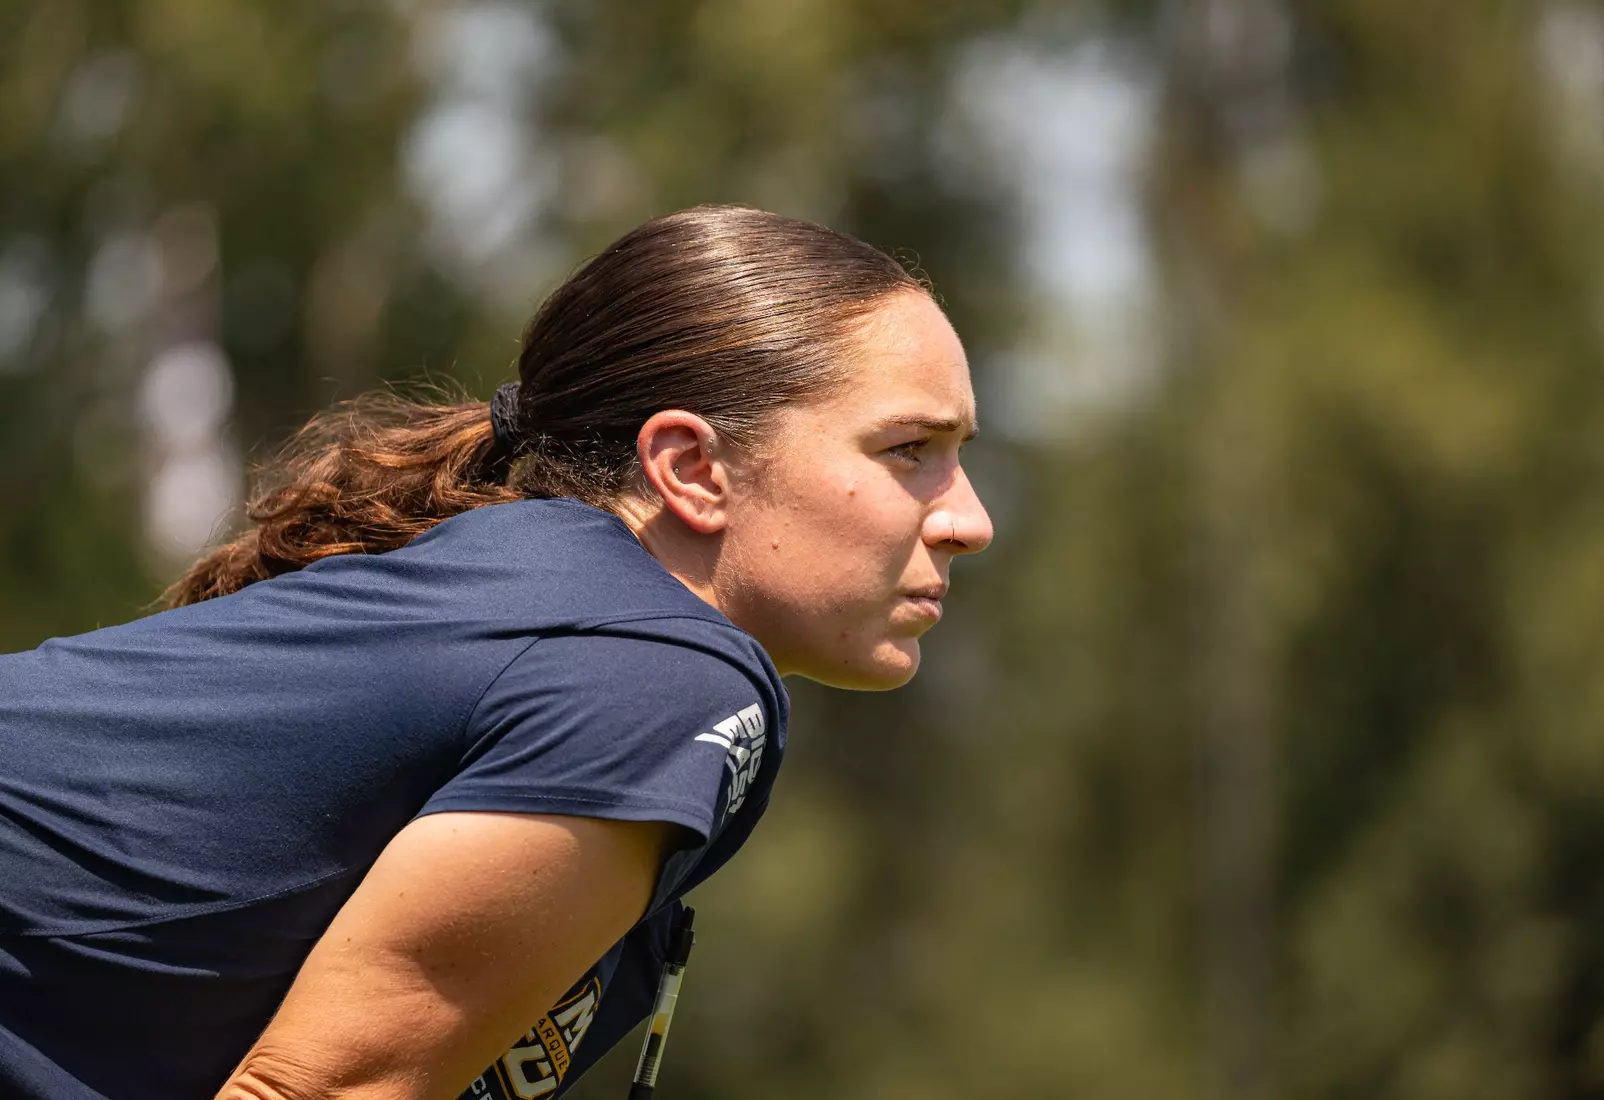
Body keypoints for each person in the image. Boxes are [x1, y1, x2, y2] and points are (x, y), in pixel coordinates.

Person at [0, 205, 993, 1100]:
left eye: (959, 454)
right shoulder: (660, 670)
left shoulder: (566, 609)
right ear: (692, 468)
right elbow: (322, 1089)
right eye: (907, 450)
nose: (969, 519)